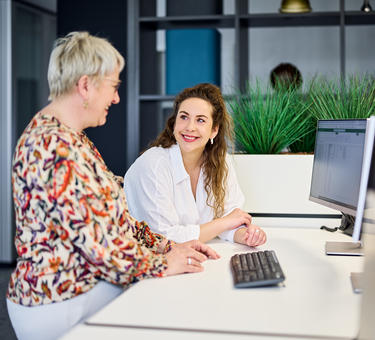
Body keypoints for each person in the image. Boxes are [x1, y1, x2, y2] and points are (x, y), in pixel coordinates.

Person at [6, 32, 219, 340]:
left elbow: (115, 221)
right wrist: (163, 262)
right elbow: (101, 248)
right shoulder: (55, 147)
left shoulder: (71, 138)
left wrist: (168, 246)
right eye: (113, 86)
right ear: (85, 86)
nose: (116, 98)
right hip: (58, 302)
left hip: (77, 291)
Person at [124, 83, 267, 246]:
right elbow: (161, 238)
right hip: (147, 262)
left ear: (214, 130)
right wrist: (223, 223)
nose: (190, 127)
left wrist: (246, 235)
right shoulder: (153, 165)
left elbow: (232, 217)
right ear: (174, 123)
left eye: (200, 120)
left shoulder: (221, 161)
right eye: (184, 117)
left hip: (193, 259)